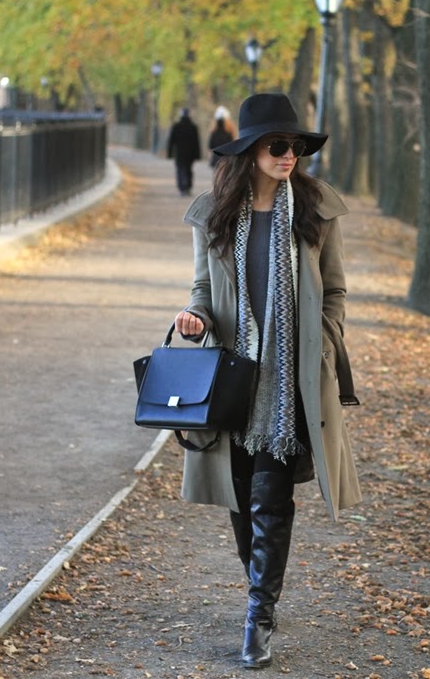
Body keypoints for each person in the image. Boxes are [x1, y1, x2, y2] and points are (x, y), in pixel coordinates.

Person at [173, 92, 361, 669]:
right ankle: (261, 584)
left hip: (291, 383)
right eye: (278, 145)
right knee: (240, 499)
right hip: (234, 378)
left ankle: (259, 614)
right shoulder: (215, 214)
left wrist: (322, 342)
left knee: (270, 498)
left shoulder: (315, 210)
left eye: (296, 146)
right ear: (251, 150)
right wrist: (194, 316)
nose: (289, 155)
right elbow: (203, 289)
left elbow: (334, 290)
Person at [167, 108, 202, 196]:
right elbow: (196, 142)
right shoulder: (193, 127)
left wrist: (169, 153)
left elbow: (171, 141)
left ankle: (181, 188)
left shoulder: (176, 126)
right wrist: (198, 155)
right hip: (190, 154)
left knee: (180, 170)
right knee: (188, 169)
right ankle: (188, 187)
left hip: (179, 153)